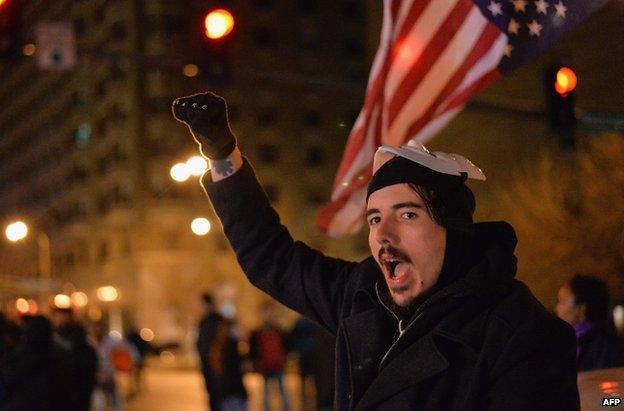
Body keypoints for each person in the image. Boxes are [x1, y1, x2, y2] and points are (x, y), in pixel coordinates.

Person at [172, 92, 580, 410]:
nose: (382, 233)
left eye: (406, 215)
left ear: (452, 228)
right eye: (373, 218)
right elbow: (271, 258)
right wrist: (222, 155)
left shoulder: (525, 337)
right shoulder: (362, 295)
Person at [555, 274, 624, 371]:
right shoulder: (562, 342)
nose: (557, 308)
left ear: (581, 309)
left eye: (562, 302)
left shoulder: (605, 349)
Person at [249, 303, 290, 411]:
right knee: (266, 393)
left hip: (277, 364)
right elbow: (254, 350)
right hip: (265, 365)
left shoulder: (277, 330)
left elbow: (285, 345)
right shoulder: (257, 332)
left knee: (281, 390)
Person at [208, 318, 248, 411]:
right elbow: (235, 371)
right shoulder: (231, 347)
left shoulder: (220, 345)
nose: (241, 330)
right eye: (237, 328)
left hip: (225, 392)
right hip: (233, 393)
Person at [197, 292, 225, 411]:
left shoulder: (217, 319)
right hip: (205, 360)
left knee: (217, 390)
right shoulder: (203, 321)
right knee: (210, 390)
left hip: (215, 360)